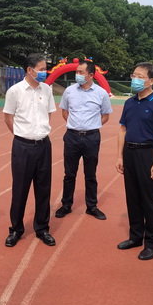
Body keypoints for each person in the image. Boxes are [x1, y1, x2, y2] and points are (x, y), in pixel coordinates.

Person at [115, 62, 153, 260]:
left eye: (140, 76)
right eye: (134, 75)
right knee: (133, 197)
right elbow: (122, 130)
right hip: (129, 153)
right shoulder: (129, 102)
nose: (135, 79)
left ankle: (152, 244)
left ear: (151, 80)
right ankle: (136, 236)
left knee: (149, 199)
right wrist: (120, 156)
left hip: (148, 154)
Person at [3, 53, 57, 247]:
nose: (45, 72)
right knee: (20, 189)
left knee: (43, 189)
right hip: (22, 147)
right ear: (29, 70)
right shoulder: (15, 91)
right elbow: (8, 118)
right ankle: (16, 230)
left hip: (43, 146)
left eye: (45, 69)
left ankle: (42, 229)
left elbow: (48, 115)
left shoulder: (47, 90)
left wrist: (38, 133)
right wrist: (22, 135)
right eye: (41, 69)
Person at [55, 60, 112, 221]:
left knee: (90, 174)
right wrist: (76, 125)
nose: (77, 75)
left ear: (91, 75)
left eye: (81, 72)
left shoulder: (101, 93)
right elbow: (65, 112)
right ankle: (66, 204)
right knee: (69, 174)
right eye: (77, 72)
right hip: (72, 137)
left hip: (91, 138)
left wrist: (90, 126)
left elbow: (105, 116)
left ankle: (91, 206)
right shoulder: (69, 91)